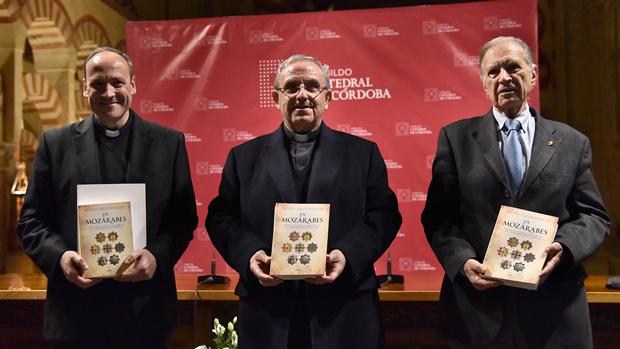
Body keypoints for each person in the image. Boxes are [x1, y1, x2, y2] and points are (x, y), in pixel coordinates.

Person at [422, 36, 610, 348]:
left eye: (513, 67)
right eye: (493, 72)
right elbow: (439, 218)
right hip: (479, 312)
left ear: (533, 74)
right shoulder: (455, 140)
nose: (504, 77)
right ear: (483, 84)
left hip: (555, 310)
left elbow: (593, 216)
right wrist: (463, 261)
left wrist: (564, 248)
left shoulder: (572, 142)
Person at [206, 54, 401, 349]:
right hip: (267, 312)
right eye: (291, 87)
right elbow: (221, 217)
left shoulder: (364, 153)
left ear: (328, 97)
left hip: (345, 308)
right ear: (276, 97)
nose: (302, 95)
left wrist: (346, 256)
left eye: (312, 86)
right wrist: (250, 255)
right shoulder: (242, 157)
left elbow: (384, 215)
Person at [16, 47, 198, 349]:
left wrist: (156, 256)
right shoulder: (55, 144)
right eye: (98, 83)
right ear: (85, 87)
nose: (108, 92)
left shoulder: (169, 143)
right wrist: (61, 258)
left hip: (146, 311)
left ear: (133, 85)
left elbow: (183, 220)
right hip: (75, 314)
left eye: (117, 82)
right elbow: (31, 221)